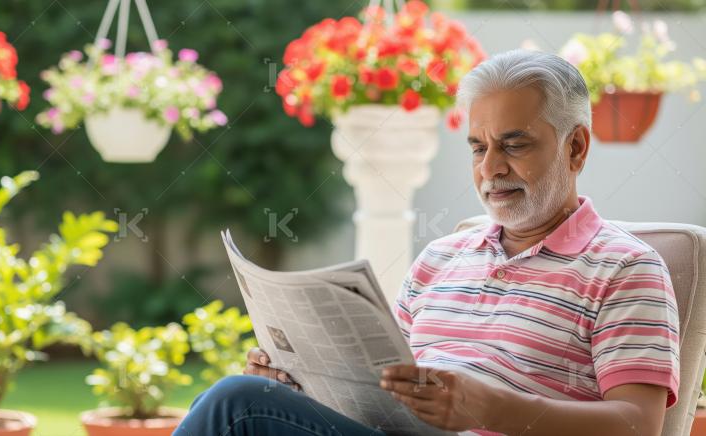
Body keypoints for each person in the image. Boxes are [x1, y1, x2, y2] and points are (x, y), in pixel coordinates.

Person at [173, 49, 679, 436]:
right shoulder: (441, 259)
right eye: (478, 148)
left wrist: (489, 407)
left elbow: (638, 424)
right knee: (244, 397)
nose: (491, 168)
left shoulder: (625, 268)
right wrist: (300, 378)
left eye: (514, 144)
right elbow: (380, 389)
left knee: (236, 407)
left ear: (576, 146)